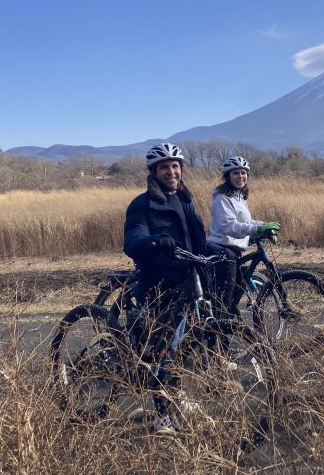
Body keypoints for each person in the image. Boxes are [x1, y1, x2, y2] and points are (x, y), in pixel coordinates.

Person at [123, 142, 209, 432]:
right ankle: (161, 416)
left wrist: (214, 254)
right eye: (164, 167)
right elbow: (132, 243)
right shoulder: (142, 204)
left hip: (185, 280)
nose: (171, 171)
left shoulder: (185, 199)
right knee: (165, 351)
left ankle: (176, 395)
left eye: (175, 166)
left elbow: (195, 240)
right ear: (154, 172)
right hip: (159, 284)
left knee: (181, 346)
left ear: (181, 169)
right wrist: (155, 241)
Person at [207, 156, 280, 317]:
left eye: (243, 173)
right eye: (235, 173)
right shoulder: (222, 198)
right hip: (222, 249)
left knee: (235, 293)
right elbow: (229, 226)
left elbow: (246, 222)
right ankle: (216, 332)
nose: (241, 176)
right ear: (227, 176)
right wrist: (258, 228)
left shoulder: (238, 196)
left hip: (233, 250)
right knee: (223, 299)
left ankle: (231, 323)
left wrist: (263, 227)